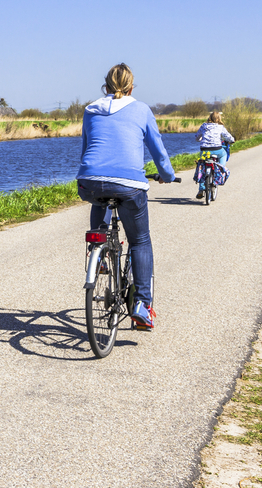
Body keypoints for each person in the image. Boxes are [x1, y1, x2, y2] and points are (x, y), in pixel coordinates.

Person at [77, 63, 175, 332]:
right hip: (129, 185)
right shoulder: (141, 109)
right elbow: (158, 149)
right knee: (140, 240)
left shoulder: (90, 110)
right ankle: (142, 306)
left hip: (89, 180)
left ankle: (98, 251)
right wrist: (166, 174)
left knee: (99, 197)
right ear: (131, 87)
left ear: (105, 87)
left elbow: (86, 148)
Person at [194, 111, 235, 199]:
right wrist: (232, 140)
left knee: (202, 167)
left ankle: (201, 189)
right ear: (219, 118)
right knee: (223, 154)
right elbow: (228, 136)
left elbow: (197, 137)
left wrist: (200, 138)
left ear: (210, 117)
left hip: (204, 150)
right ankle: (220, 169)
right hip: (217, 149)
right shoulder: (220, 127)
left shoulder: (204, 125)